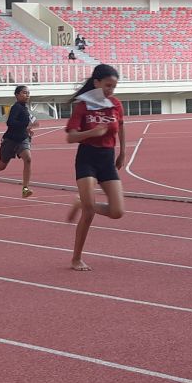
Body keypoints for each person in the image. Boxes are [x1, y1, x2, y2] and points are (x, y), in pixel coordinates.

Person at [64, 64, 126, 271]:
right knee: (89, 213)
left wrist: (122, 151)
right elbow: (70, 137)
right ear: (96, 82)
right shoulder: (83, 106)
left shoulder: (115, 104)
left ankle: (81, 202)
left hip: (107, 158)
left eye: (114, 87)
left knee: (117, 211)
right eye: (107, 85)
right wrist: (91, 133)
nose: (110, 90)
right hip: (87, 158)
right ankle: (76, 259)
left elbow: (121, 126)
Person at [0, 85, 37, 197]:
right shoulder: (16, 107)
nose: (27, 95)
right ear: (17, 95)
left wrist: (28, 129)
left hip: (22, 139)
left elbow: (23, 124)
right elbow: (10, 123)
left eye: (28, 93)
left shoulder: (25, 108)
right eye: (24, 92)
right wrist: (25, 124)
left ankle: (25, 188)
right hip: (10, 140)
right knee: (2, 165)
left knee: (28, 159)